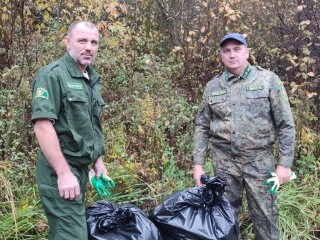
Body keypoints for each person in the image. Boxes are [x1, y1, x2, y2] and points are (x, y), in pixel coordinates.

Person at [193, 33, 295, 240]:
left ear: (247, 52)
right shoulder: (213, 86)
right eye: (226, 51)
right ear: (221, 56)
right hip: (224, 162)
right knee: (225, 217)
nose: (232, 55)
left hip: (260, 161)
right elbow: (202, 126)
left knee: (266, 217)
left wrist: (284, 164)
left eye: (237, 49)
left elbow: (285, 124)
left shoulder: (268, 80)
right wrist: (198, 164)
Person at [31, 20, 108, 239]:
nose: (89, 47)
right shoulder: (53, 75)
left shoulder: (90, 78)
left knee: (65, 232)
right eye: (82, 40)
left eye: (94, 42)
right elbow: (43, 126)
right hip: (59, 170)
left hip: (81, 171)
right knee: (72, 234)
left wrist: (98, 161)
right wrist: (64, 174)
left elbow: (89, 125)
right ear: (67, 43)